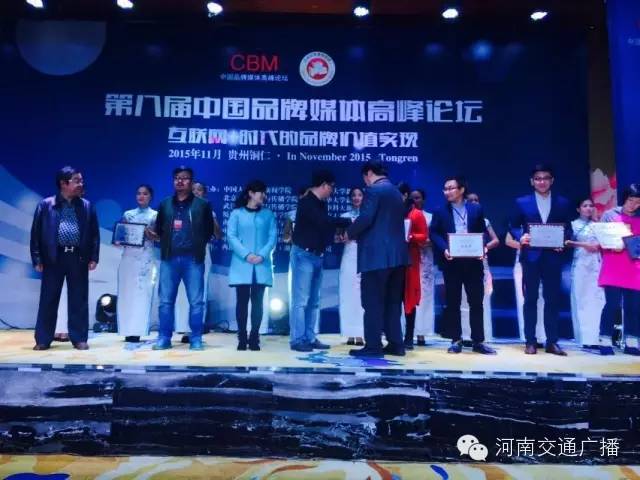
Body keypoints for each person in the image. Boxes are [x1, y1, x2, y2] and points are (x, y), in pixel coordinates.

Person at [30, 166, 99, 350]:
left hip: (78, 257)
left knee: (79, 298)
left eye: (81, 180)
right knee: (49, 299)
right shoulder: (45, 205)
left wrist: (94, 256)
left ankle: (79, 338)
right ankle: (43, 339)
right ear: (63, 183)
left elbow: (94, 235)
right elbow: (35, 234)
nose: (81, 184)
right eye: (76, 181)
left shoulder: (87, 206)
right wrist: (37, 259)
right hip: (54, 257)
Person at [146, 166, 214, 351]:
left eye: (184, 178)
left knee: (196, 302)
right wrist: (152, 235)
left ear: (191, 182)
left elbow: (209, 230)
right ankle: (164, 338)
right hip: (169, 259)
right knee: (165, 302)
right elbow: (159, 230)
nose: (180, 181)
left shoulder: (202, 205)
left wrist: (196, 245)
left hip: (193, 260)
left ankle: (196, 338)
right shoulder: (165, 204)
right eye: (177, 177)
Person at [345, 162, 408, 358]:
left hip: (376, 256)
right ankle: (396, 344)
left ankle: (373, 346)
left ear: (369, 173)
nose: (365, 181)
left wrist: (348, 233)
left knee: (372, 302)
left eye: (365, 177)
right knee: (393, 303)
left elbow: (366, 218)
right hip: (398, 257)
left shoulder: (373, 190)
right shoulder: (396, 191)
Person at [509, 164, 572, 356]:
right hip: (531, 256)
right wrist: (520, 236)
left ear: (552, 180)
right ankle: (530, 341)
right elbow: (513, 225)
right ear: (532, 181)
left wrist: (563, 241)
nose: (542, 181)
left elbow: (568, 228)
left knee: (552, 300)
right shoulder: (521, 202)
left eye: (545, 178)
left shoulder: (562, 202)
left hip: (553, 257)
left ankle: (552, 341)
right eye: (538, 178)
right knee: (530, 299)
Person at [429, 176, 495, 354]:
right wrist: (444, 249)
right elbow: (433, 233)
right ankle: (456, 340)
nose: (447, 192)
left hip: (473, 262)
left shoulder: (476, 208)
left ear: (461, 190)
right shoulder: (440, 211)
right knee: (453, 302)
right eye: (445, 189)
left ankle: (478, 341)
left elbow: (482, 232)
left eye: (451, 188)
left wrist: (482, 247)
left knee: (476, 302)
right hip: (452, 262)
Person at [289, 170, 352, 352]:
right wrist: (346, 221)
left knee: (314, 300)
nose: (332, 191)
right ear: (324, 185)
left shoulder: (322, 203)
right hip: (303, 255)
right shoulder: (306, 202)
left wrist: (337, 237)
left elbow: (323, 229)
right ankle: (297, 339)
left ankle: (310, 336)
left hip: (318, 255)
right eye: (332, 187)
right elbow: (322, 222)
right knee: (301, 300)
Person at [227, 180, 277, 351]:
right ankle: (242, 336)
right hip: (242, 264)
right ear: (250, 193)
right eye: (261, 192)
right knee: (241, 302)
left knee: (258, 302)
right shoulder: (236, 213)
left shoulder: (268, 214)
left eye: (264, 192)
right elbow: (231, 237)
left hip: (261, 265)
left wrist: (262, 255)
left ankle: (254, 336)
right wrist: (247, 255)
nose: (264, 195)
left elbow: (272, 237)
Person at [175, 180, 220, 343]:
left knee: (199, 292)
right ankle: (182, 327)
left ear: (204, 194)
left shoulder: (209, 212)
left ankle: (194, 329)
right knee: (182, 293)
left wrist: (210, 217)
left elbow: (218, 235)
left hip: (201, 253)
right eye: (192, 189)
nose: (195, 192)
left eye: (199, 190)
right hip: (180, 254)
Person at [597, 184, 640, 356]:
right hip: (613, 265)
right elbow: (600, 238)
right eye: (631, 200)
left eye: (638, 202)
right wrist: (609, 245)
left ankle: (631, 342)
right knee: (612, 304)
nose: (633, 205)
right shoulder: (610, 215)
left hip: (634, 266)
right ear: (624, 198)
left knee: (634, 306)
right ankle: (604, 340)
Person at [116, 184, 158, 343]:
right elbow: (121, 235)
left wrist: (147, 232)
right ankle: (126, 329)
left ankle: (138, 330)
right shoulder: (128, 214)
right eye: (139, 193)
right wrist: (119, 239)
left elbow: (159, 237)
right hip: (128, 257)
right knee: (127, 292)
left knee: (142, 294)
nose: (141, 196)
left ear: (150, 197)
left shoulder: (155, 215)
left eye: (145, 194)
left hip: (145, 258)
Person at [566, 197, 605, 348]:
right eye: (585, 206)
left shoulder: (597, 225)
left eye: (591, 206)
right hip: (580, 264)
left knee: (597, 300)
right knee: (581, 299)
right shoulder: (573, 224)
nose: (588, 208)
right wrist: (584, 245)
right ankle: (583, 338)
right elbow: (566, 242)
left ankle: (594, 337)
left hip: (597, 263)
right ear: (578, 209)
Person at [460, 192, 499, 342]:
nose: (474, 202)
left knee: (482, 299)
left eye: (476, 200)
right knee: (463, 299)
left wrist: (484, 248)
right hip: (462, 262)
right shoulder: (460, 220)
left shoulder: (484, 220)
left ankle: (484, 335)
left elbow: (496, 240)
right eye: (470, 200)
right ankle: (465, 336)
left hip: (480, 261)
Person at [398, 182, 428, 350]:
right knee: (393, 300)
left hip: (410, 262)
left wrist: (410, 236)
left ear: (405, 195)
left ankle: (408, 337)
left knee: (409, 300)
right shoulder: (393, 212)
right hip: (394, 261)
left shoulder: (416, 213)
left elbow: (423, 236)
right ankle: (395, 336)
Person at [506, 230, 546, 343]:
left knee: (543, 300)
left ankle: (542, 336)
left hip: (544, 262)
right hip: (524, 263)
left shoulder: (541, 224)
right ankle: (528, 336)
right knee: (525, 299)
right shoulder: (516, 226)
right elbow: (507, 241)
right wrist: (525, 245)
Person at [339, 187, 365, 346]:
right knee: (348, 294)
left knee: (361, 295)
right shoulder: (344, 217)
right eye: (354, 195)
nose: (356, 198)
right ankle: (349, 333)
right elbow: (337, 237)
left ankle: (361, 334)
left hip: (365, 255)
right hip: (349, 255)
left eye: (360, 195)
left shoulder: (368, 216)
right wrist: (342, 237)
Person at [409, 189, 435, 346]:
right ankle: (407, 331)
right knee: (409, 295)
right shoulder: (405, 215)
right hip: (409, 259)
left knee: (425, 295)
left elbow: (436, 238)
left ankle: (422, 333)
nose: (414, 200)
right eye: (412, 198)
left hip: (425, 259)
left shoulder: (431, 217)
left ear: (423, 199)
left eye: (417, 198)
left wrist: (425, 241)